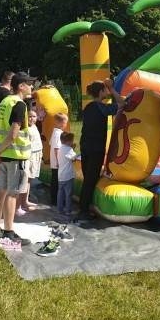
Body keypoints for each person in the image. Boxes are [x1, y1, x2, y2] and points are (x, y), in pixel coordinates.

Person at [0, 72, 34, 244]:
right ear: (21, 86)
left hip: (3, 156)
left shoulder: (4, 102)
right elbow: (14, 133)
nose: (32, 87)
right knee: (13, 194)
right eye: (29, 84)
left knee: (1, 191)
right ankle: (9, 232)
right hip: (15, 156)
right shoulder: (20, 104)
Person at [79, 79, 124, 220]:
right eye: (104, 90)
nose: (107, 93)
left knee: (88, 178)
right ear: (101, 92)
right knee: (91, 180)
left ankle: (86, 206)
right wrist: (112, 89)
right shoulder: (101, 107)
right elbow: (121, 104)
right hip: (95, 148)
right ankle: (84, 211)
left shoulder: (88, 107)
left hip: (85, 146)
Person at [16, 110, 42, 215]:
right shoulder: (26, 129)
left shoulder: (35, 127)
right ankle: (22, 203)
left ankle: (25, 200)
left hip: (37, 155)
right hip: (30, 156)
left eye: (34, 116)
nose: (32, 118)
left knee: (30, 179)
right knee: (25, 180)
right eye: (30, 116)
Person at [57, 131, 78, 219]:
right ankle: (68, 210)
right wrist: (79, 153)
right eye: (72, 141)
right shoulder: (69, 149)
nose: (72, 142)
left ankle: (59, 209)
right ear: (68, 141)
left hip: (61, 175)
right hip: (68, 176)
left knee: (60, 193)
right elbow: (73, 158)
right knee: (68, 194)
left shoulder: (61, 148)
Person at [48, 112, 67, 206]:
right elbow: (56, 148)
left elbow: (51, 144)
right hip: (57, 163)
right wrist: (59, 161)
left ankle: (55, 199)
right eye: (65, 122)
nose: (65, 124)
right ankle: (55, 199)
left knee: (55, 180)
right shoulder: (57, 134)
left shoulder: (56, 132)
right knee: (56, 181)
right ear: (61, 123)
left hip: (55, 162)